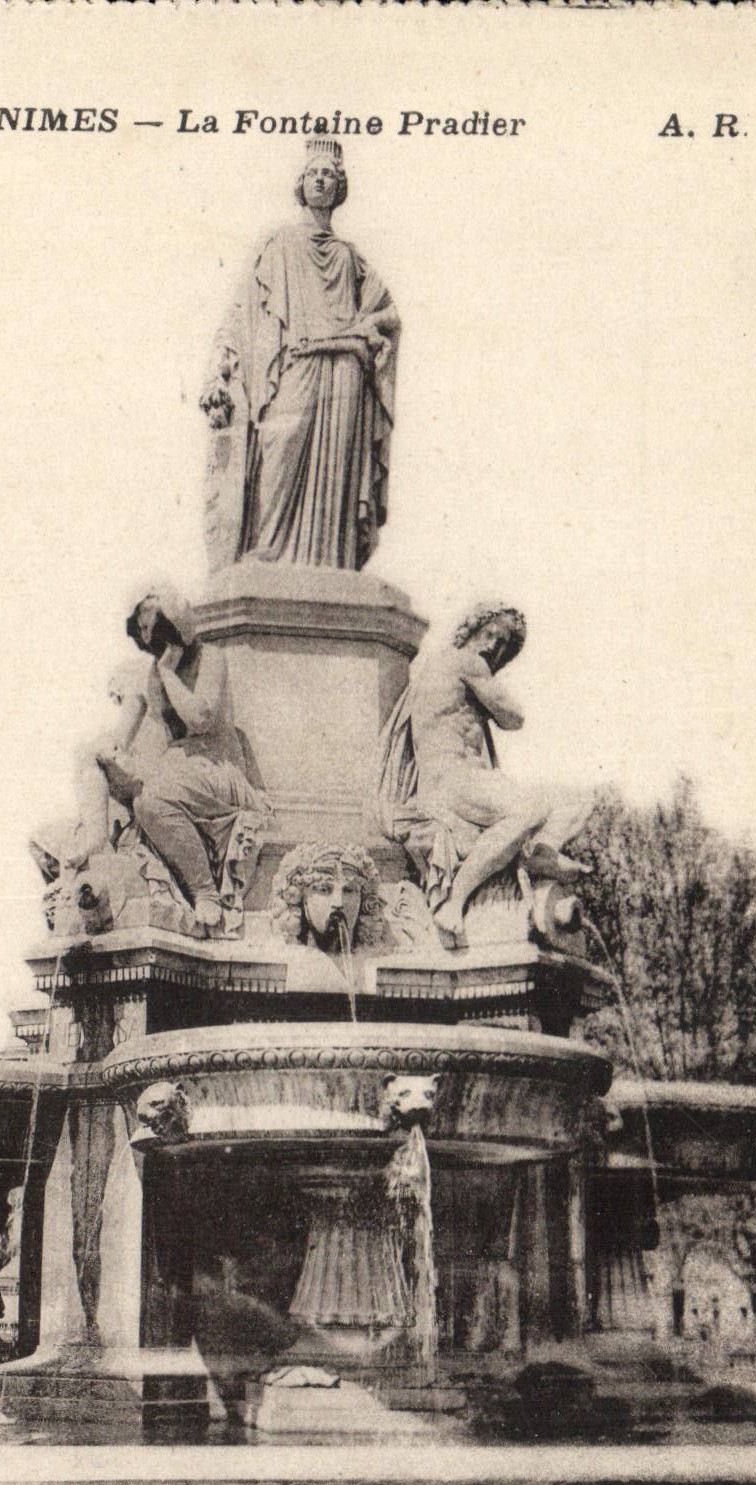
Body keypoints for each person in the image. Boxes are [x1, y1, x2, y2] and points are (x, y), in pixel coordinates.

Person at [201, 140, 399, 570]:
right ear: (302, 183)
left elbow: (387, 316)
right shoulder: (280, 245)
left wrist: (363, 335)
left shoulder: (350, 257)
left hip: (344, 372)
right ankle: (267, 547)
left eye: (329, 174)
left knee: (335, 475)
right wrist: (217, 372)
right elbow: (241, 315)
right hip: (296, 363)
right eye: (315, 173)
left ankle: (332, 560)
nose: (322, 179)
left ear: (339, 186)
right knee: (281, 439)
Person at [377, 603, 590, 942]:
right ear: (471, 630)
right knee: (534, 809)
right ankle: (455, 902)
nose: (494, 647)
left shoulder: (437, 666)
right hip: (454, 783)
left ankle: (540, 853)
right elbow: (514, 717)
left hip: (464, 782)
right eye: (490, 635)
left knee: (577, 801)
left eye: (504, 644)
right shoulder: (467, 661)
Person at [112, 587, 269, 930]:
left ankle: (205, 892)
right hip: (181, 766)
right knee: (135, 797)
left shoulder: (210, 658)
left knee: (152, 801)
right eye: (141, 629)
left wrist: (169, 675)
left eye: (151, 627)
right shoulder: (155, 673)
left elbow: (200, 719)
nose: (146, 636)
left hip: (218, 767)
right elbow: (158, 734)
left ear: (174, 626)